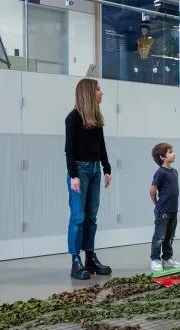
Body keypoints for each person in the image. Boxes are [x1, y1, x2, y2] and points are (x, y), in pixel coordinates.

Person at [66, 78, 113, 280]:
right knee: (78, 217)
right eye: (99, 90)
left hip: (94, 169)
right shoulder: (73, 118)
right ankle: (75, 261)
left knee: (92, 216)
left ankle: (90, 257)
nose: (101, 93)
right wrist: (74, 175)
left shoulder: (96, 118)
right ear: (88, 93)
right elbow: (69, 150)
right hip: (80, 170)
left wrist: (106, 168)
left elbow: (101, 145)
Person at [149, 143, 180, 271]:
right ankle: (155, 259)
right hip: (162, 211)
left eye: (172, 151)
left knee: (169, 236)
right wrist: (156, 204)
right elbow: (152, 190)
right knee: (159, 236)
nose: (173, 154)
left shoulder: (174, 172)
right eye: (169, 152)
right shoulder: (160, 173)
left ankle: (167, 257)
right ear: (162, 157)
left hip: (173, 210)